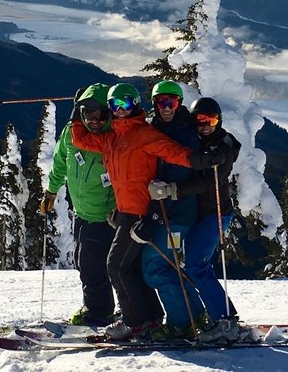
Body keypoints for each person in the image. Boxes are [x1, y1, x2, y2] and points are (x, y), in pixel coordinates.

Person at [71, 83, 225, 340]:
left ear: (136, 105)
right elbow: (80, 139)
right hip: (127, 213)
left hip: (141, 214)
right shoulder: (111, 138)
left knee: (116, 266)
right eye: (115, 106)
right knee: (130, 267)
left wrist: (203, 161)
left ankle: (135, 322)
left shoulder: (143, 134)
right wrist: (77, 111)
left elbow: (173, 152)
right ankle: (150, 317)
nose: (121, 111)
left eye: (126, 105)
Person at [147, 96, 242, 342]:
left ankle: (225, 320)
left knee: (197, 266)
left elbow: (211, 180)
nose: (205, 125)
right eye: (200, 120)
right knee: (187, 266)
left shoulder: (222, 145)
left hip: (215, 214)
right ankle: (211, 316)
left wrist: (174, 190)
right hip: (196, 216)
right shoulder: (197, 141)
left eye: (211, 120)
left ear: (219, 120)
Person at [40, 83, 117, 327]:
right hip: (81, 212)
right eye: (88, 113)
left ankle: (99, 312)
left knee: (93, 266)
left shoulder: (114, 139)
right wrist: (51, 191)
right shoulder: (71, 134)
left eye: (101, 114)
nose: (94, 120)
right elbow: (61, 163)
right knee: (82, 260)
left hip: (105, 216)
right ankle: (101, 308)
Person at [142, 80, 206, 338]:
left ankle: (181, 323)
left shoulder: (186, 132)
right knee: (170, 267)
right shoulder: (155, 127)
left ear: (179, 104)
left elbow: (181, 170)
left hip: (177, 213)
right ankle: (196, 316)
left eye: (172, 102)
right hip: (164, 210)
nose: (166, 107)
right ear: (155, 103)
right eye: (161, 102)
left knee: (156, 267)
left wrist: (163, 194)